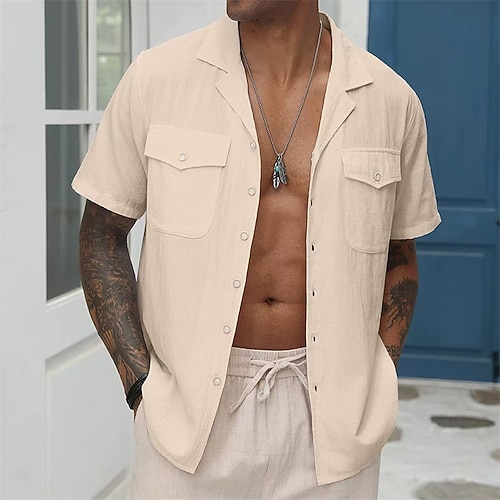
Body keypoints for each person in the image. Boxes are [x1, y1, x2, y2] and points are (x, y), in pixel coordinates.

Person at [73, 0, 441, 498]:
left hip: (336, 418)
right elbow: (101, 233)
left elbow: (400, 252)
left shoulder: (390, 101)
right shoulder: (156, 80)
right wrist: (140, 383)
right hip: (187, 418)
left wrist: (379, 375)